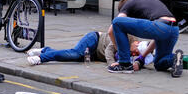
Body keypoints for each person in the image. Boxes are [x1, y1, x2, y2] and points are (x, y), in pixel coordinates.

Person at [107, 0, 184, 78]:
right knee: (159, 63)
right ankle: (174, 59)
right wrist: (142, 58)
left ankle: (124, 64)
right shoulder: (147, 5)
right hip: (174, 29)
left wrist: (119, 52)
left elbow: (111, 30)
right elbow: (157, 36)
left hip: (161, 26)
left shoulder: (127, 5)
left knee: (117, 22)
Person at [26, 30, 154, 72]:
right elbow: (110, 49)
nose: (133, 55)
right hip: (94, 40)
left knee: (72, 57)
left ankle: (46, 50)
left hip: (95, 54)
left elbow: (141, 62)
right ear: (137, 43)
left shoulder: (135, 50)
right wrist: (111, 64)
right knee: (75, 53)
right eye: (135, 52)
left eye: (136, 55)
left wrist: (138, 63)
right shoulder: (127, 37)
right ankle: (41, 59)